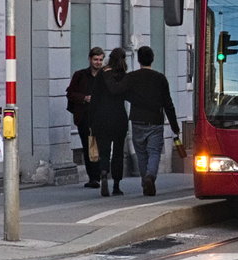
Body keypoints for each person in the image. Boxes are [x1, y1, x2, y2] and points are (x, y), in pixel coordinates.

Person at [105, 45, 180, 197]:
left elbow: (117, 90)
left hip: (137, 120)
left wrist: (107, 75)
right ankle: (150, 177)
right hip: (155, 121)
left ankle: (145, 181)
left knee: (141, 154)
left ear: (138, 60)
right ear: (152, 59)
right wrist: (174, 126)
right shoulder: (160, 78)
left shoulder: (132, 77)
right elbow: (168, 103)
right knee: (154, 152)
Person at [90, 47, 129, 197]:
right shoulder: (123, 76)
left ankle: (104, 172)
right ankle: (117, 185)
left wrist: (91, 121)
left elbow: (94, 98)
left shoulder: (102, 74)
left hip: (101, 117)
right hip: (119, 117)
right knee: (118, 152)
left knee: (104, 151)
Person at [66, 47, 105, 189]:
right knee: (88, 147)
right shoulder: (80, 75)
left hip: (102, 117)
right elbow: (70, 93)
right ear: (90, 59)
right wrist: (84, 98)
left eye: (100, 60)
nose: (98, 63)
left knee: (100, 146)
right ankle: (93, 177)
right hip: (85, 117)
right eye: (95, 59)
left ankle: (101, 172)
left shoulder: (105, 75)